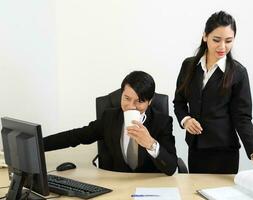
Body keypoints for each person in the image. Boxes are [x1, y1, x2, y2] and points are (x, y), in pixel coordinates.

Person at [173, 11, 253, 174]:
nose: (222, 47)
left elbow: (242, 118)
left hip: (225, 151)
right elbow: (179, 102)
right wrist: (186, 120)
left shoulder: (238, 73)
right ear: (205, 36)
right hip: (196, 148)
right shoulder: (189, 66)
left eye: (229, 41)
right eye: (216, 40)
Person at [44, 71, 177, 176]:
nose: (131, 106)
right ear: (121, 94)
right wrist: (38, 144)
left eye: (139, 101)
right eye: (127, 98)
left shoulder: (162, 122)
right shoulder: (110, 117)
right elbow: (76, 136)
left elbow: (171, 168)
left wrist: (150, 144)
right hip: (116, 185)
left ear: (150, 101)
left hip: (150, 188)